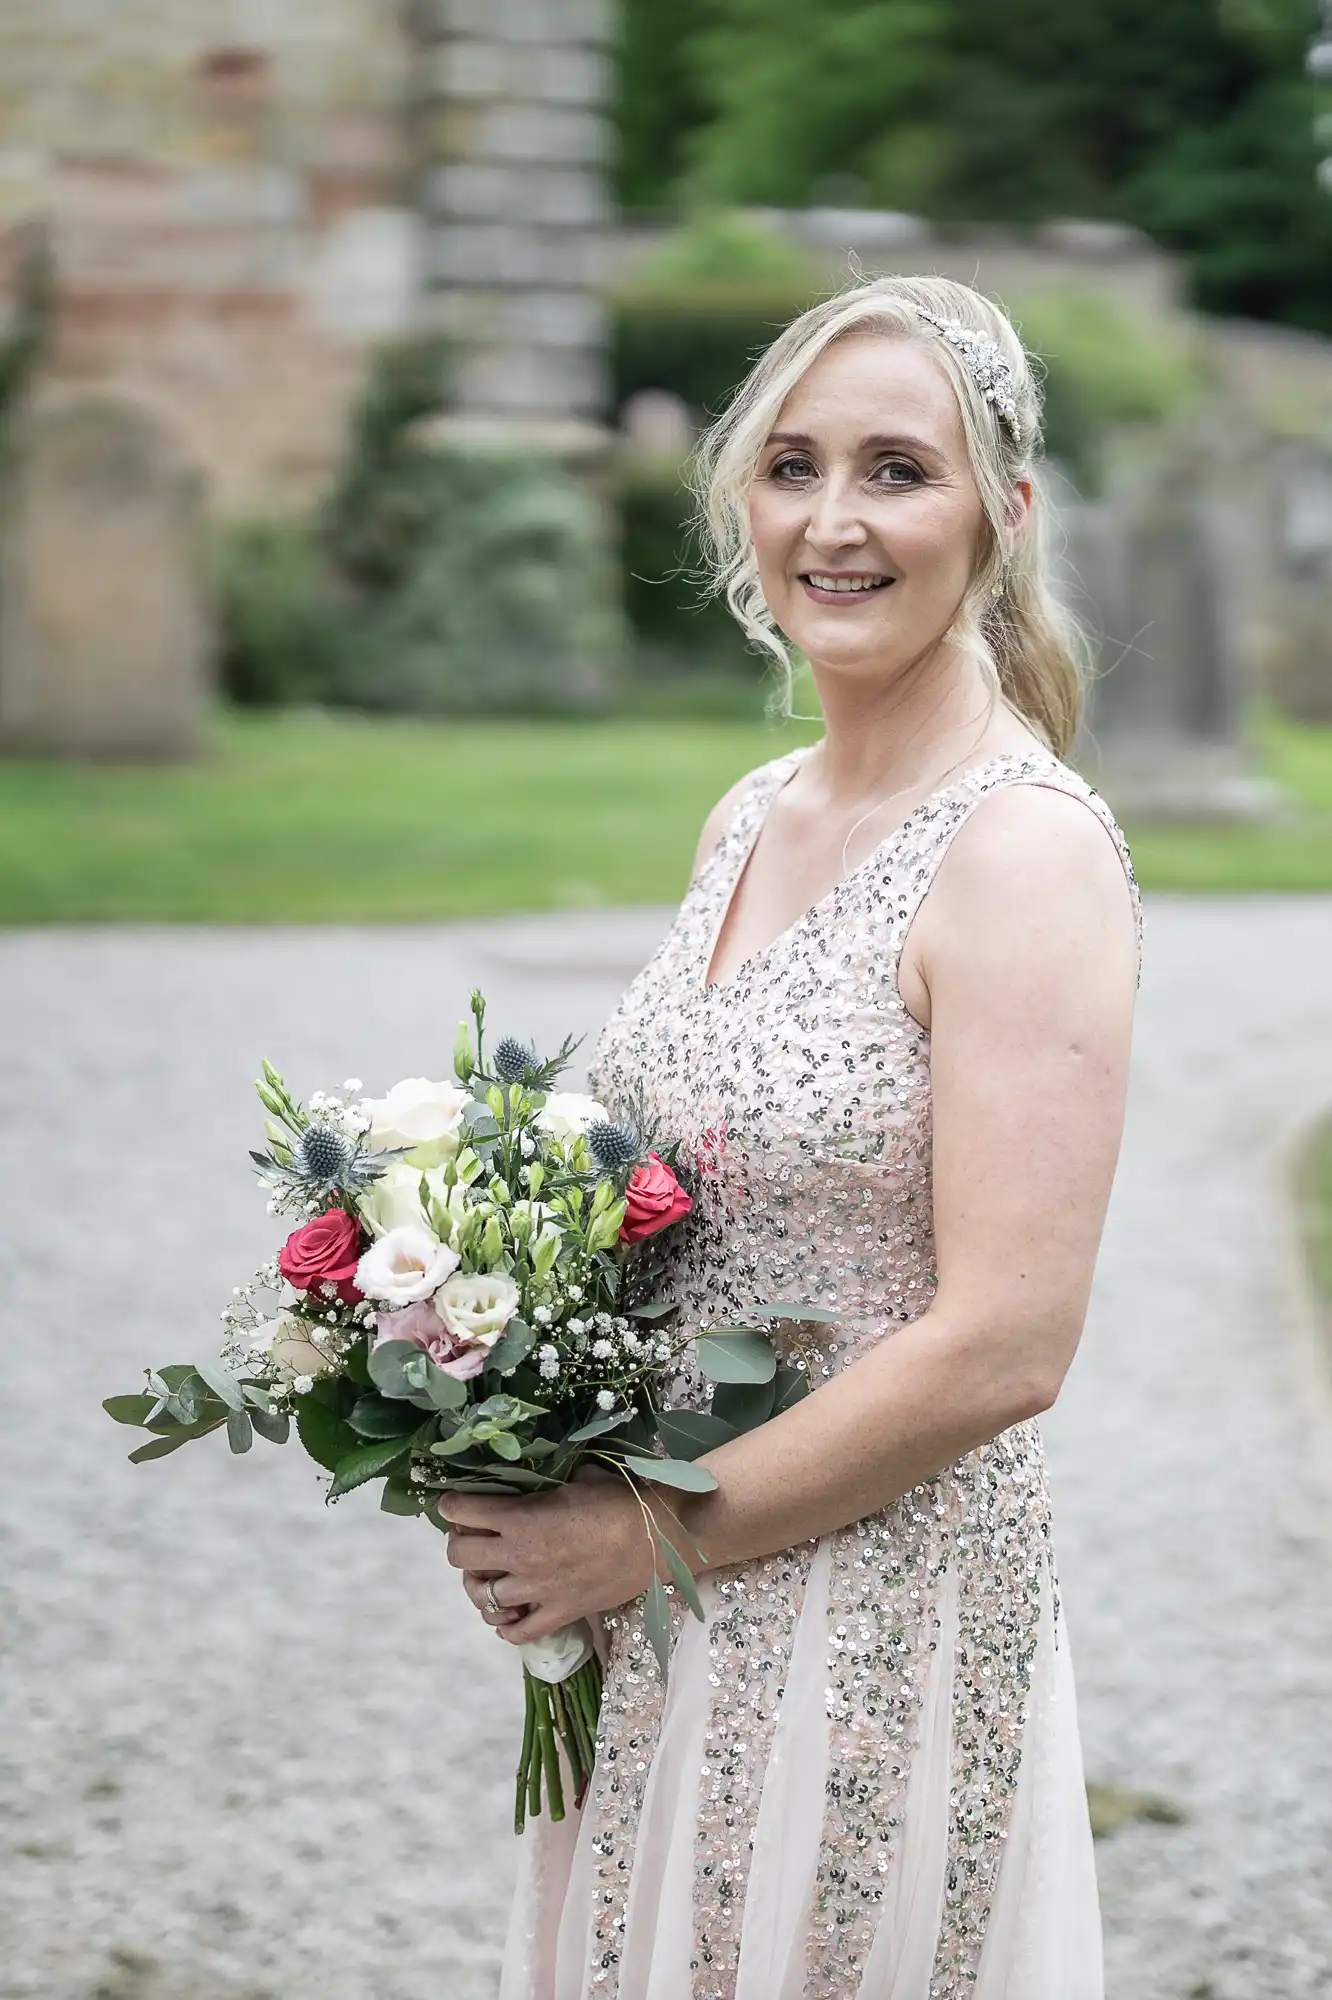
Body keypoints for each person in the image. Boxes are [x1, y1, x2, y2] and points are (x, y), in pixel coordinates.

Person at [439, 274, 1141, 1999]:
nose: (834, 522)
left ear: (1002, 512)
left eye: (897, 469)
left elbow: (1005, 1345)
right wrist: (477, 1355)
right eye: (794, 466)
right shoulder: (753, 812)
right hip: (664, 1617)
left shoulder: (1025, 853)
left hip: (872, 1621)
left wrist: (642, 1532)